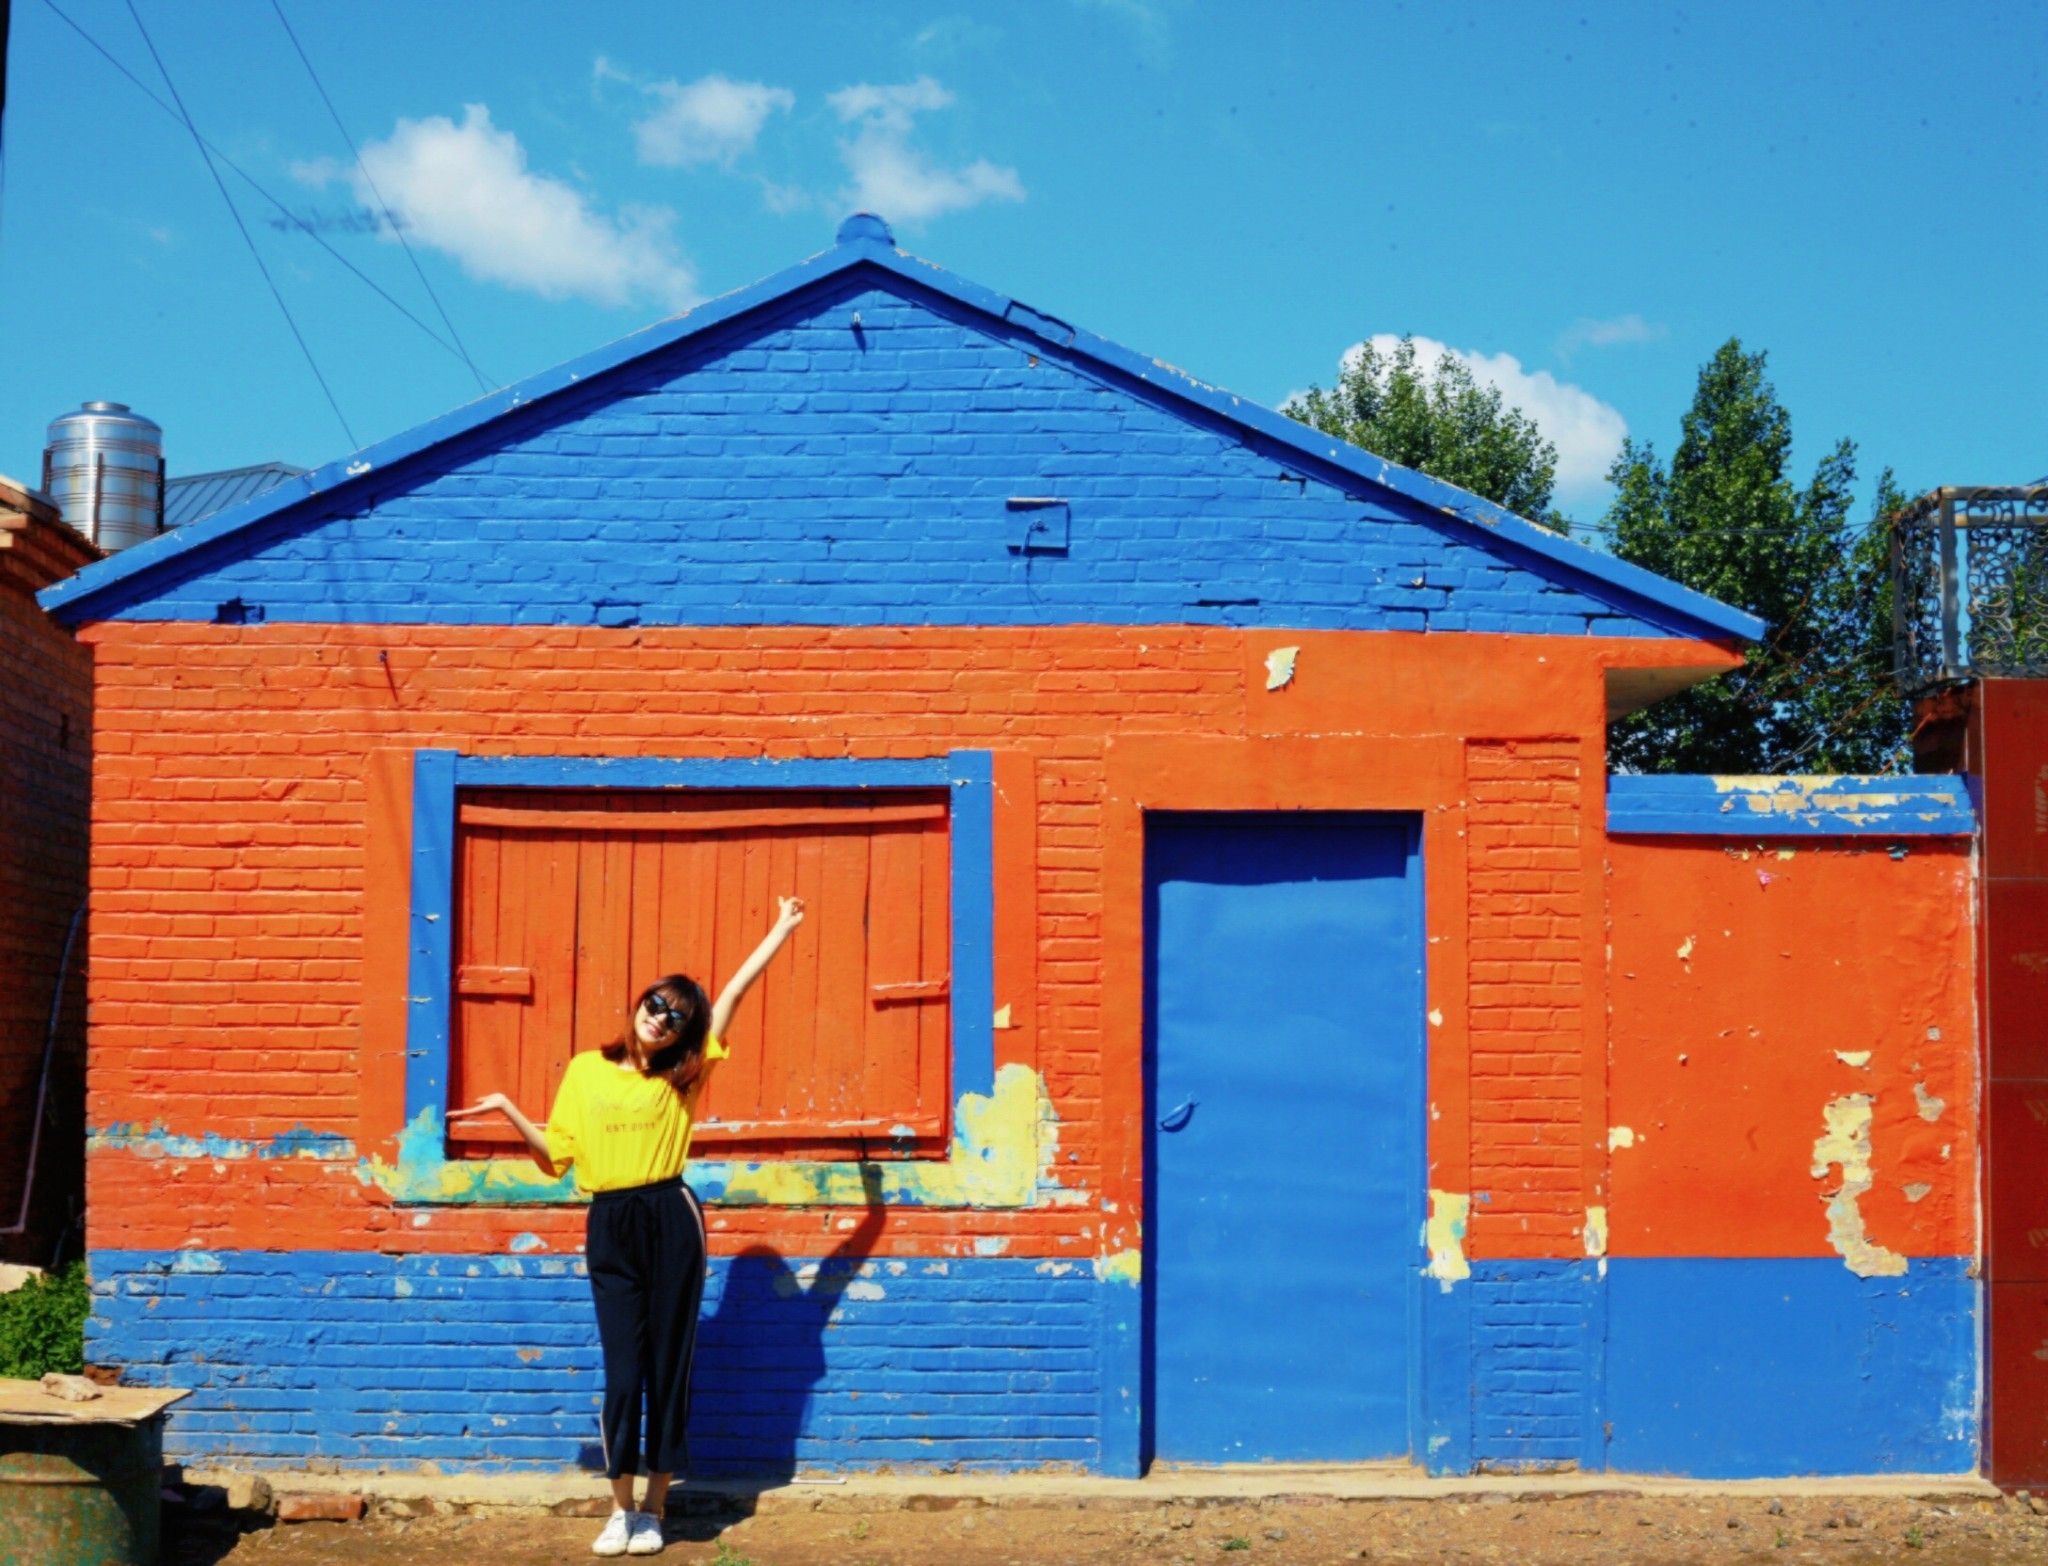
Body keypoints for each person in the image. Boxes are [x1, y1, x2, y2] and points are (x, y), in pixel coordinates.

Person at [450, 895, 806, 1558]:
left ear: (685, 1033)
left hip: (671, 1216)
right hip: (610, 1220)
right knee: (623, 1371)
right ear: (640, 1002)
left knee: (668, 1369)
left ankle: (654, 1510)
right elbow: (556, 1158)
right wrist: (508, 1110)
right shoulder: (586, 1070)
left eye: (676, 1016)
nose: (660, 1017)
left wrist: (780, 929)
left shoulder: (684, 1077)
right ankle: (619, 1510)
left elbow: (731, 994)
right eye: (656, 1003)